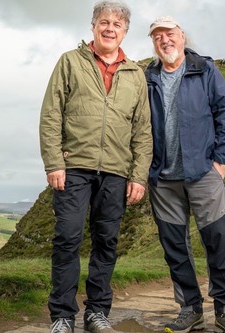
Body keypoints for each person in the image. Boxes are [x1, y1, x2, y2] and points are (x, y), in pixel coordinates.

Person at [39, 2, 152, 333]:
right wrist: (54, 162)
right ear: (93, 26)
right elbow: (51, 114)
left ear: (125, 32)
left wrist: (139, 176)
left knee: (106, 242)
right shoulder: (70, 62)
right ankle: (62, 316)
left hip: (117, 172)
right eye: (104, 22)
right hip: (73, 167)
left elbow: (143, 131)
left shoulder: (135, 74)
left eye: (118, 24)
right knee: (68, 238)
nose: (110, 28)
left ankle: (96, 313)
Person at [145, 16, 225, 333]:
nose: (165, 40)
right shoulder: (147, 77)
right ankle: (190, 309)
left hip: (204, 173)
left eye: (170, 34)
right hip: (164, 179)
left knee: (217, 242)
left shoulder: (204, 69)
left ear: (182, 37)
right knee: (175, 248)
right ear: (153, 43)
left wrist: (219, 161)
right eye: (158, 36)